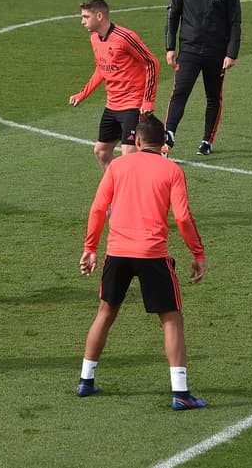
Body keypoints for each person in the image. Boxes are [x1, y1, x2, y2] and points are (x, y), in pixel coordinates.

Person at [76, 114, 207, 411]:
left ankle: (85, 380)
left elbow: (98, 208)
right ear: (163, 143)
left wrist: (90, 247)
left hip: (117, 252)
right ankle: (180, 392)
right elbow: (183, 218)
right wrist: (197, 254)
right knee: (171, 319)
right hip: (152, 255)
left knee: (105, 313)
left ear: (135, 139)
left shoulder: (118, 166)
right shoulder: (171, 170)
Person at [163, 0, 242, 156]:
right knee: (179, 92)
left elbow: (235, 22)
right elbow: (173, 16)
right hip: (188, 50)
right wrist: (170, 47)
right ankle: (168, 136)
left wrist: (231, 53)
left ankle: (207, 140)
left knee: (213, 97)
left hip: (216, 53)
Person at [70, 0, 160, 171]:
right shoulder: (95, 39)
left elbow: (151, 63)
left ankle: (134, 192)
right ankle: (118, 188)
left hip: (133, 104)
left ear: (99, 16)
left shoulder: (125, 37)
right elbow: (101, 68)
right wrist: (82, 94)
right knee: (102, 152)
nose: (82, 21)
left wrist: (148, 100)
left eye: (85, 17)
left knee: (128, 155)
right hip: (112, 105)